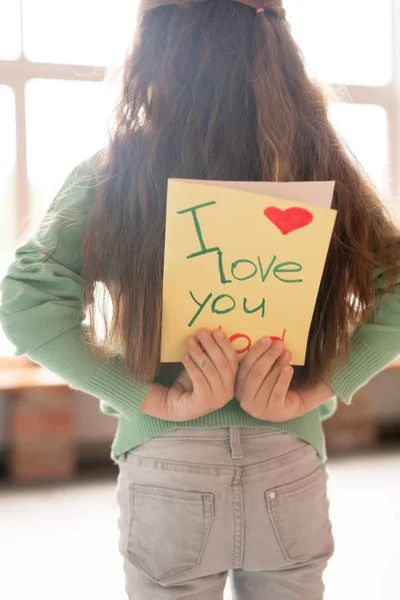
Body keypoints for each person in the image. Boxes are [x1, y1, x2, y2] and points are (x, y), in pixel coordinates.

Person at [1, 0, 400, 598]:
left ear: (159, 57)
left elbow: (24, 301)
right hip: (287, 453)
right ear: (279, 54)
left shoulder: (118, 168)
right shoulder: (323, 165)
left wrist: (152, 396)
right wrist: (315, 390)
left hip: (167, 457)